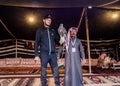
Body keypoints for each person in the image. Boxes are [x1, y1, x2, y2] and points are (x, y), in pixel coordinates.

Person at [34, 14, 60, 86]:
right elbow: (36, 43)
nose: (49, 21)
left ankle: (58, 84)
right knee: (43, 72)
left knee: (56, 71)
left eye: (50, 20)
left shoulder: (53, 31)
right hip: (44, 54)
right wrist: (36, 55)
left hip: (53, 54)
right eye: (48, 20)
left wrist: (62, 37)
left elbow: (58, 41)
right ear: (43, 20)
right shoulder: (40, 31)